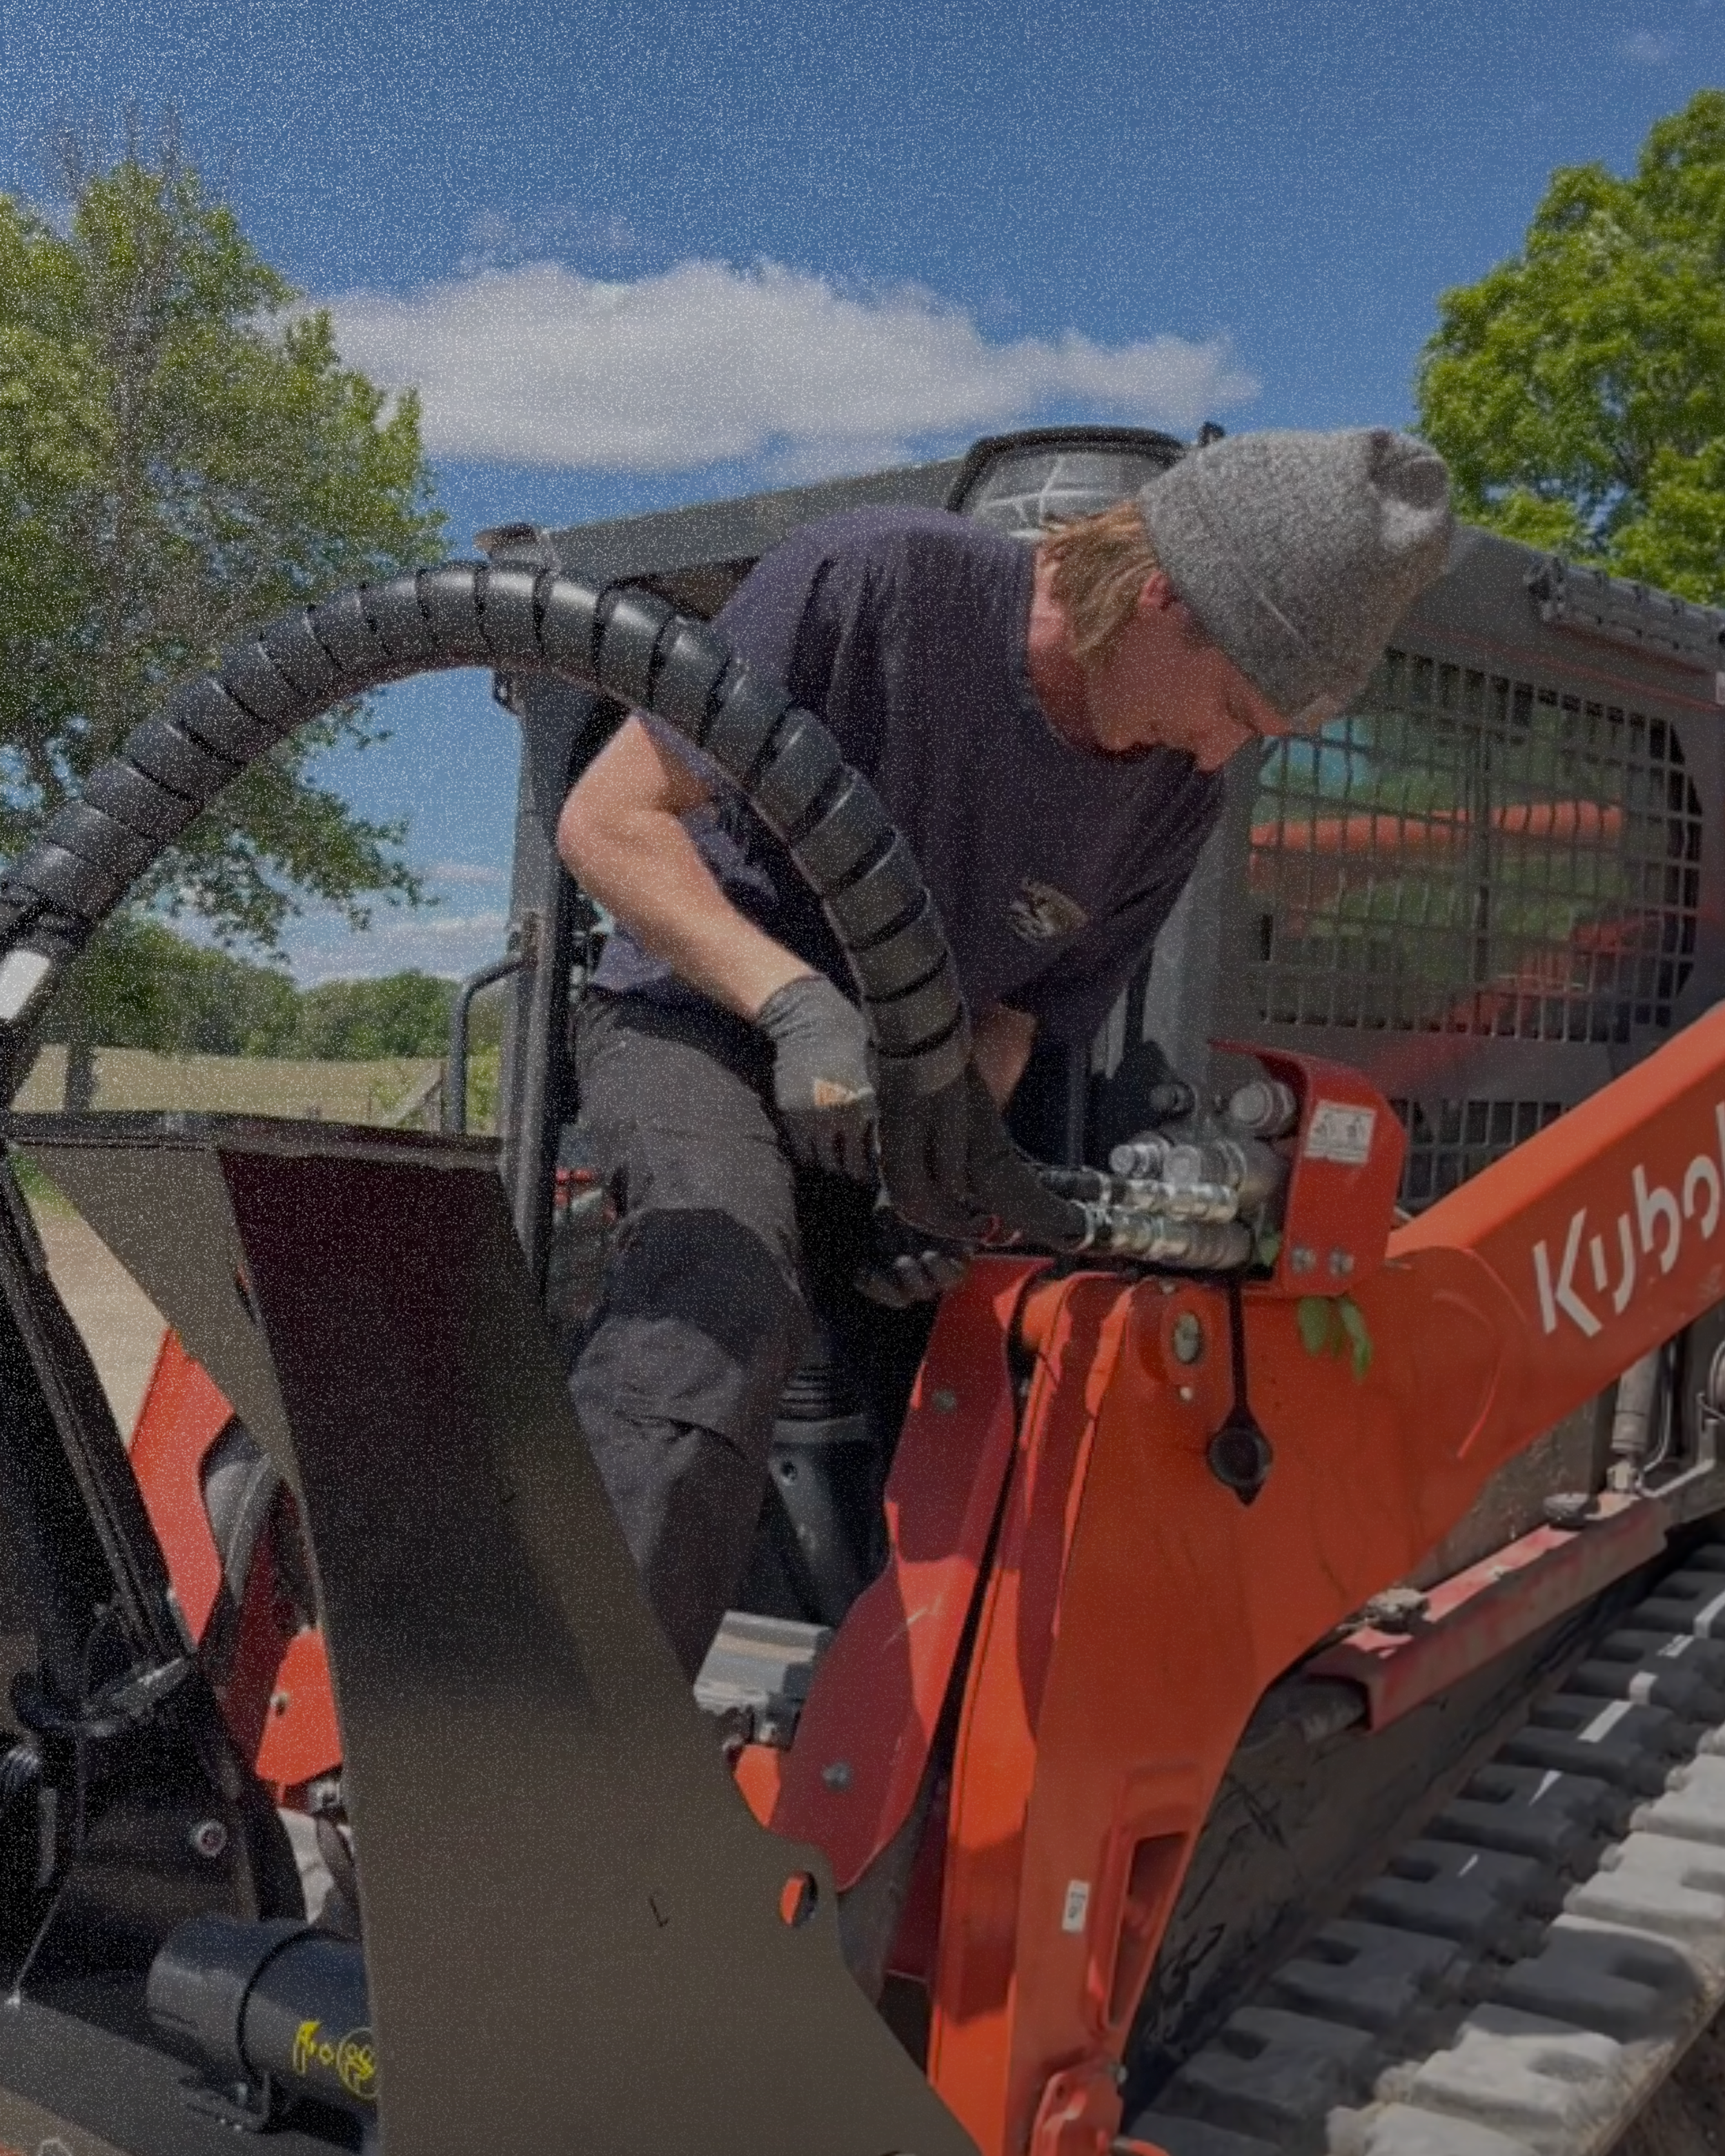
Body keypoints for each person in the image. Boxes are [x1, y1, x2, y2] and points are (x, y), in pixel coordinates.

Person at [557, 427, 1452, 1680]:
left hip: (892, 1083)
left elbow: (1018, 1018)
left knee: (985, 1365)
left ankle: (904, 1761)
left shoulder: (1173, 795)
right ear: (1161, 597)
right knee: (718, 1304)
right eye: (1234, 709)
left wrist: (935, 1172)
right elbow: (607, 820)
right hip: (701, 1014)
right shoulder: (876, 587)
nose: (1218, 755)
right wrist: (797, 1005)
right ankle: (569, 1761)